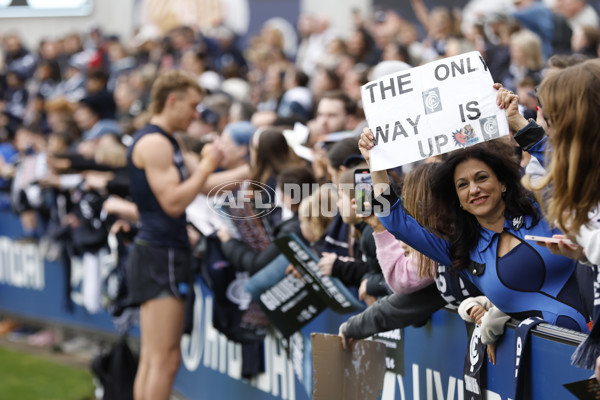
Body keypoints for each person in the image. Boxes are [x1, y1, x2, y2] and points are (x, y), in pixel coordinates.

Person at [358, 128, 589, 332]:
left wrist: (519, 123)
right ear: (457, 198)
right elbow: (393, 221)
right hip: (549, 363)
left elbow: (566, 169)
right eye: (463, 185)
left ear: (503, 183)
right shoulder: (460, 248)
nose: (475, 189)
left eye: (481, 178)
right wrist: (375, 166)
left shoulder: (540, 209)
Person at [126, 70, 222, 400]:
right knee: (164, 359)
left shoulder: (167, 140)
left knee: (155, 358)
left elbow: (207, 185)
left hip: (157, 251)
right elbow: (173, 201)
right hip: (161, 251)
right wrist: (209, 165)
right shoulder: (154, 142)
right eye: (193, 106)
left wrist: (259, 168)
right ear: (172, 100)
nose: (196, 114)